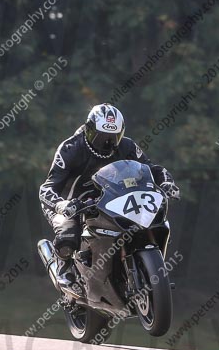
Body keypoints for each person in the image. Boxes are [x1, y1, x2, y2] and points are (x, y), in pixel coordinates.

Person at [39, 103, 179, 297]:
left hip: (108, 198)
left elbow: (151, 168)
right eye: (101, 136)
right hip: (69, 202)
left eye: (113, 137)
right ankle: (64, 268)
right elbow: (47, 187)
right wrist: (61, 204)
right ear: (88, 130)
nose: (107, 143)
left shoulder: (127, 146)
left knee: (140, 221)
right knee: (68, 236)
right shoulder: (71, 148)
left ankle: (123, 271)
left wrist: (166, 182)